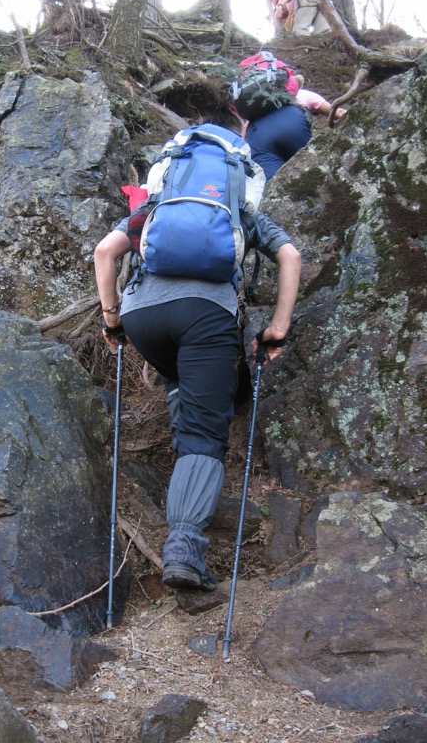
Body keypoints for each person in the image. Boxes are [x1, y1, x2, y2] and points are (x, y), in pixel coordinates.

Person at [94, 126, 302, 592]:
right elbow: (290, 257)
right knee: (205, 436)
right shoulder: (240, 211)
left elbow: (104, 252)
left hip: (143, 317)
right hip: (205, 315)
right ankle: (185, 547)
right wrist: (277, 329)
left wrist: (112, 321)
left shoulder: (155, 207)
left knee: (180, 376)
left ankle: (183, 440)